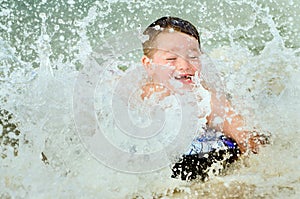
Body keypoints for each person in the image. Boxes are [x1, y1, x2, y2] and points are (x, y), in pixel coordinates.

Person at [140, 16, 269, 180]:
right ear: (149, 65)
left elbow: (243, 133)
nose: (184, 65)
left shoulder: (203, 98)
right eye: (171, 58)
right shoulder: (140, 93)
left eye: (193, 57)